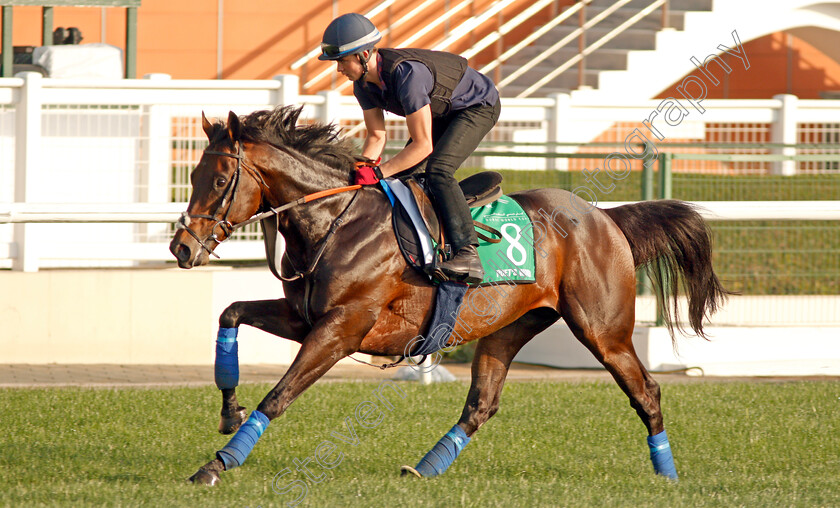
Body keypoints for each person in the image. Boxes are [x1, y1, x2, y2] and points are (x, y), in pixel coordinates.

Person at [319, 13, 501, 285]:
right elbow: (376, 136)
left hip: (477, 106)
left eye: (342, 61)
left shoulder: (407, 75)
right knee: (402, 181)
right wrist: (364, 170)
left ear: (364, 55)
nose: (338, 70)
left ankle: (467, 254)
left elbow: (423, 145)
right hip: (443, 110)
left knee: (439, 171)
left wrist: (379, 173)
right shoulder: (362, 86)